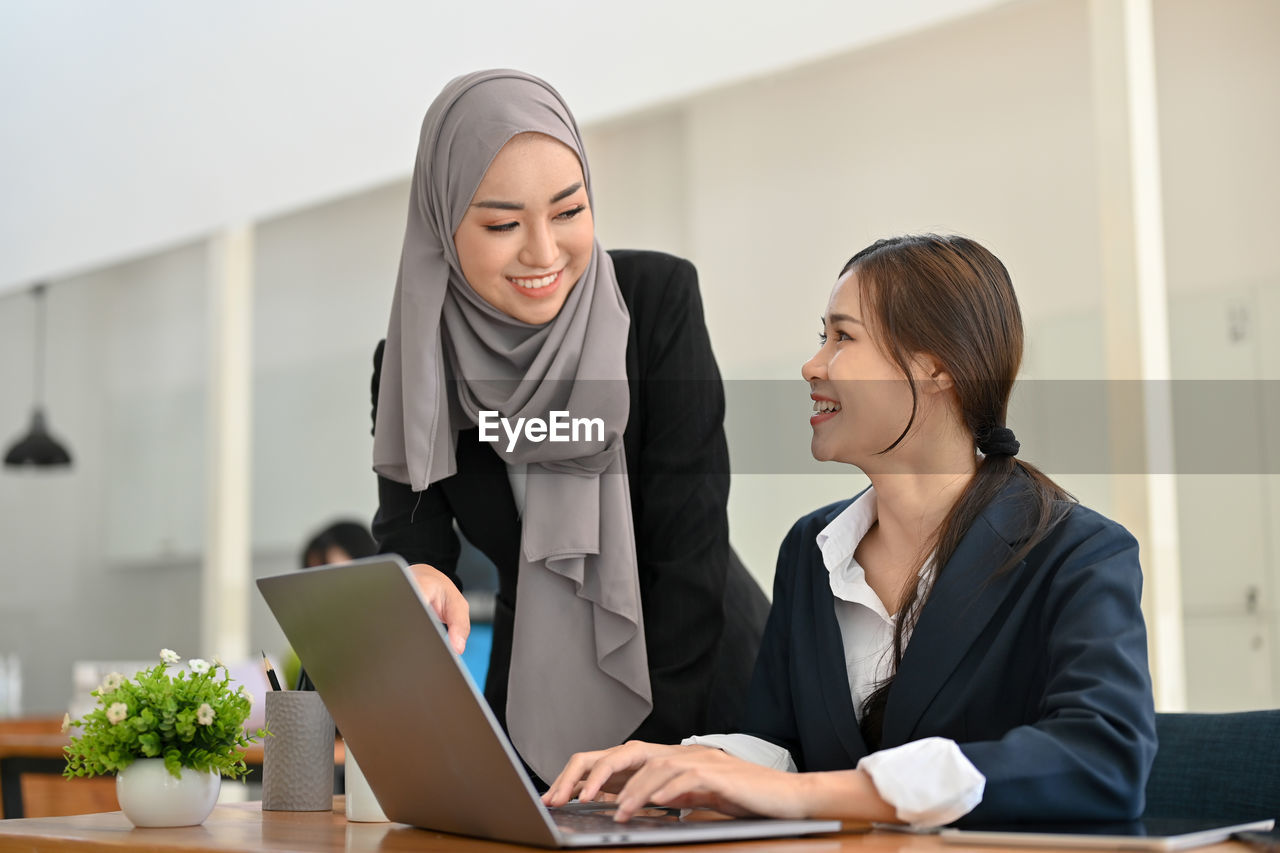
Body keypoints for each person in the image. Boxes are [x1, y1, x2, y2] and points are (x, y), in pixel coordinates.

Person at [544, 234, 1157, 826]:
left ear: (936, 367)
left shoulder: (1078, 555)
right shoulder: (812, 550)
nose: (813, 364)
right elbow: (780, 744)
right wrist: (690, 761)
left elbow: (1104, 759)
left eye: (842, 337)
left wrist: (814, 794)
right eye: (822, 337)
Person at [369, 69, 769, 785]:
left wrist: (659, 755)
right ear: (441, 225)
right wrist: (420, 571)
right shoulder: (414, 363)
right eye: (501, 224)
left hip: (700, 686)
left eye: (568, 211)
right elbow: (412, 530)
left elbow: (690, 548)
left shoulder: (655, 305)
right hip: (535, 699)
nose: (544, 253)